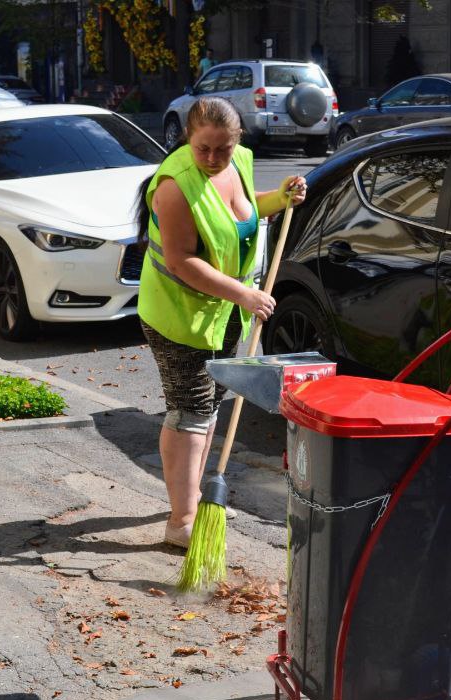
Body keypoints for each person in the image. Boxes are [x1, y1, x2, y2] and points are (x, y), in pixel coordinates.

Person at [134, 97, 306, 548]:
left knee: (209, 406)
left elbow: (243, 218)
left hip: (223, 313)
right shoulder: (175, 187)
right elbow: (182, 261)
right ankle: (182, 520)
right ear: (188, 138)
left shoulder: (240, 163)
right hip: (179, 316)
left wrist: (280, 198)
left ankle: (186, 494)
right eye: (203, 149)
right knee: (190, 410)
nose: (213, 159)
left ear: (238, 140)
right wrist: (245, 294)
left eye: (223, 149)